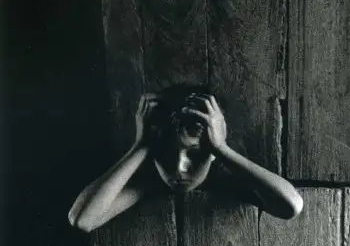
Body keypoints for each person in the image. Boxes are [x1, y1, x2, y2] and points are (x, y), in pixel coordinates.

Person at [68, 86, 303, 231]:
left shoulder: (225, 180)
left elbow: (291, 205)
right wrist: (141, 146)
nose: (179, 168)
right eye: (166, 152)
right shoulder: (148, 182)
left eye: (195, 153)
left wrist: (221, 148)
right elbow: (82, 219)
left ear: (211, 153)